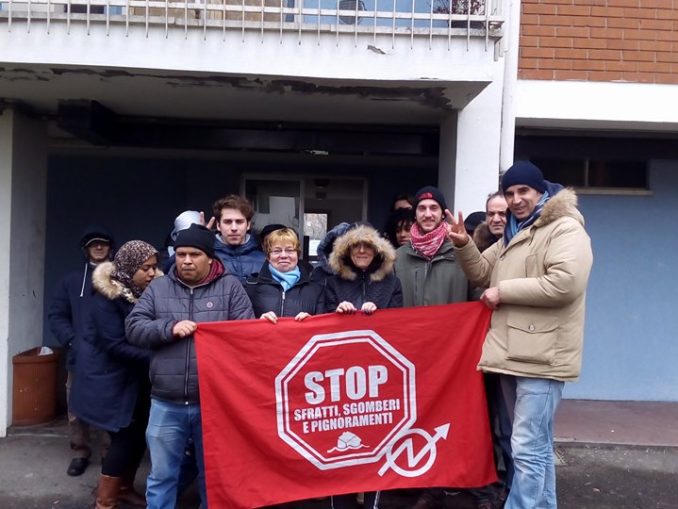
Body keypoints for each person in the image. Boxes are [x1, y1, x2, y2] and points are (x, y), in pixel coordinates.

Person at [448, 160, 593, 509]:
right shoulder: (515, 232)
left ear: (540, 191)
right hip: (513, 353)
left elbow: (565, 283)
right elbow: (482, 272)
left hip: (543, 356)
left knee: (527, 447)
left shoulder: (565, 228)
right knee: (534, 446)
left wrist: (504, 291)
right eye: (510, 193)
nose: (516, 199)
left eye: (523, 191)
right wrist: (464, 243)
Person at [125, 224, 255, 509]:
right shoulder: (158, 288)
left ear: (209, 257)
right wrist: (168, 328)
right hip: (166, 402)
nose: (186, 260)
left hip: (215, 404)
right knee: (161, 476)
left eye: (194, 254)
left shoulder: (231, 287)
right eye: (181, 254)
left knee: (214, 477)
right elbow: (133, 328)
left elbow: (247, 335)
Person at [71, 240, 160, 509]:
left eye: (154, 267)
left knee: (138, 436)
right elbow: (115, 345)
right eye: (145, 268)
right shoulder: (106, 300)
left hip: (137, 380)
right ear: (129, 268)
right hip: (110, 380)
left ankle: (123, 489)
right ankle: (105, 502)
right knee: (124, 438)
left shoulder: (147, 294)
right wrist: (159, 358)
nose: (152, 273)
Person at [325, 223, 403, 509]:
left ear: (377, 251)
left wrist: (381, 315)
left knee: (376, 443)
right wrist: (336, 313)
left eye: (367, 246)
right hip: (340, 377)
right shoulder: (333, 282)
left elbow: (401, 326)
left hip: (377, 377)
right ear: (345, 252)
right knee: (338, 442)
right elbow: (320, 323)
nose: (361, 251)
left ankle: (372, 502)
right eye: (355, 246)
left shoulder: (392, 283)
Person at [48, 224, 115, 477]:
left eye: (103, 243)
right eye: (92, 244)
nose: (98, 247)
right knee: (76, 407)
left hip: (111, 357)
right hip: (79, 355)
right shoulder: (71, 281)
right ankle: (80, 451)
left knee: (110, 404)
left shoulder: (120, 279)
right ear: (85, 249)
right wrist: (72, 340)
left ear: (110, 247)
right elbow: (57, 315)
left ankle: (110, 453)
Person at [394, 186, 468, 307]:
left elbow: (479, 298)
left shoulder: (461, 253)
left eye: (434, 208)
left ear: (443, 214)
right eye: (422, 208)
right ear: (415, 215)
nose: (428, 214)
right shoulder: (397, 258)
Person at [246, 227, 323, 322]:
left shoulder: (316, 290)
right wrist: (257, 323)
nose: (283, 255)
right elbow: (243, 324)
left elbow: (324, 326)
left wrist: (312, 323)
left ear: (297, 254)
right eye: (277, 251)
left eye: (289, 250)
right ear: (268, 256)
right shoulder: (251, 287)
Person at [212, 194, 266, 283]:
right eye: (228, 222)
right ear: (218, 225)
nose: (234, 228)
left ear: (248, 225)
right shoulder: (208, 257)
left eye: (239, 222)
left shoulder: (264, 258)